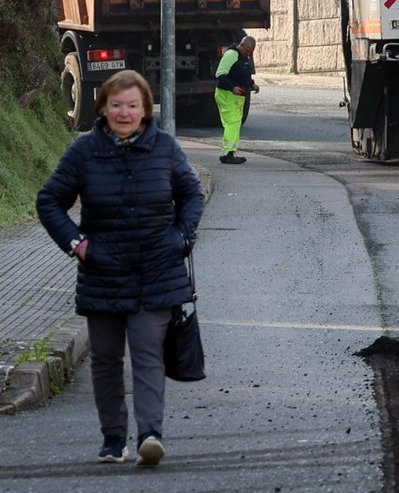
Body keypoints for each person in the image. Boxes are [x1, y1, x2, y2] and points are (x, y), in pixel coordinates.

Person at [36, 70, 204, 467]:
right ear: (103, 108)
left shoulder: (165, 148)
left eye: (132, 105)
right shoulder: (83, 152)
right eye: (116, 105)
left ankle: (150, 435)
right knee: (107, 360)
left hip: (156, 272)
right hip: (103, 273)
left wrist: (181, 237)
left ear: (146, 109)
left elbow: (192, 194)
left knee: (148, 356)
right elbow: (49, 201)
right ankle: (113, 439)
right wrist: (77, 244)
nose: (124, 113)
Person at [214, 35, 259, 164]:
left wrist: (251, 84)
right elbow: (220, 74)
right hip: (227, 95)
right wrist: (232, 87)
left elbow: (243, 74)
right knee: (232, 123)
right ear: (242, 44)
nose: (249, 53)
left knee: (235, 123)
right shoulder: (231, 55)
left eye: (251, 51)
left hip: (236, 97)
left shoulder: (243, 57)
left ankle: (230, 152)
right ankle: (227, 153)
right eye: (247, 50)